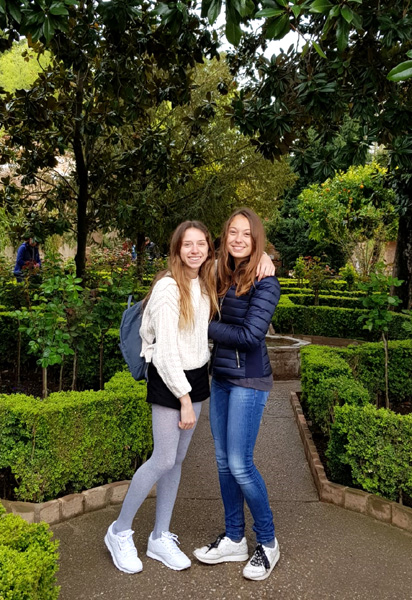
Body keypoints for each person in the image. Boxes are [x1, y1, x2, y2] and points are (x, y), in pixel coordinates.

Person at [105, 220, 218, 574]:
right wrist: (184, 399)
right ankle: (119, 531)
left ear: (208, 249)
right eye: (188, 244)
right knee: (163, 458)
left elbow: (239, 261)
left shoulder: (204, 283)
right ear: (177, 249)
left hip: (196, 376)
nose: (195, 250)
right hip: (170, 379)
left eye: (201, 244)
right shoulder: (168, 288)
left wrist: (263, 260)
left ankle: (159, 536)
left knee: (177, 459)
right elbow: (166, 353)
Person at [193, 208, 281, 581]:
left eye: (247, 233)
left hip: (249, 380)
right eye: (233, 232)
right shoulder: (220, 273)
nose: (239, 239)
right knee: (223, 462)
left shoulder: (266, 281)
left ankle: (268, 542)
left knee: (240, 464)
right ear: (224, 236)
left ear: (256, 238)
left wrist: (206, 326)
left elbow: (249, 336)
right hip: (222, 378)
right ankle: (234, 538)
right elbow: (188, 265)